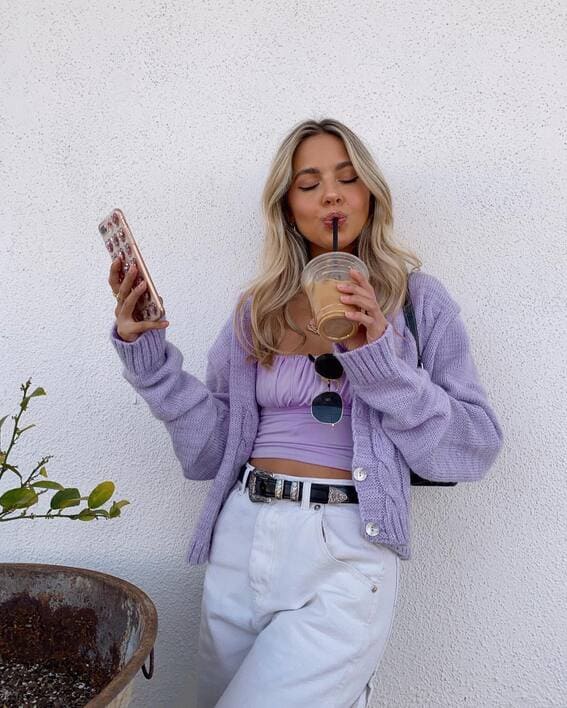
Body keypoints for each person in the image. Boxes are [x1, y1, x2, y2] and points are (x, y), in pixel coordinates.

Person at [108, 118, 503, 708]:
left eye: (347, 178)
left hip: (343, 546)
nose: (332, 194)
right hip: (241, 536)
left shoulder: (418, 303)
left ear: (370, 195)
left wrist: (382, 364)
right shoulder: (257, 310)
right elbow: (212, 453)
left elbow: (474, 447)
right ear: (288, 208)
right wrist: (148, 358)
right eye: (308, 183)